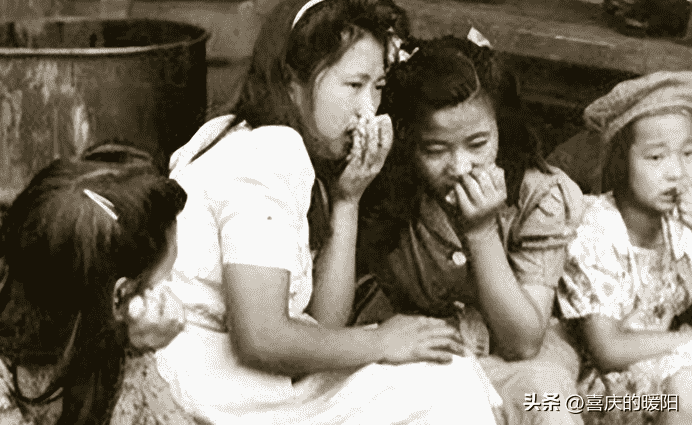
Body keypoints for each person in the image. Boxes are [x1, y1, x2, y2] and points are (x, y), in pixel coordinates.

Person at [156, 0, 503, 423]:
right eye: (353, 85)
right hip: (212, 384)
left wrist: (347, 200)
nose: (367, 110)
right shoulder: (269, 152)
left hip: (238, 380)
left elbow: (324, 325)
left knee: (446, 370)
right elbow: (260, 338)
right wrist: (381, 341)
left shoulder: (282, 147)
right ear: (291, 81)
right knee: (444, 382)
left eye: (377, 87)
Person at [356, 34, 585, 425]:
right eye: (435, 150)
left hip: (521, 359)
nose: (460, 167)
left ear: (501, 129)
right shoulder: (390, 192)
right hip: (430, 356)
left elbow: (523, 343)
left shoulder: (538, 195)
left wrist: (481, 232)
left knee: (547, 399)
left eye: (478, 144)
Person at [0, 153, 191, 425]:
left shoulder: (93, 343)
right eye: (166, 278)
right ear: (119, 296)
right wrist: (135, 362)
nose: (174, 297)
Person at [557, 71, 692, 425]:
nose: (677, 172)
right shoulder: (596, 228)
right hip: (598, 392)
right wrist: (684, 343)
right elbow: (608, 349)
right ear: (620, 160)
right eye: (656, 157)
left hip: (668, 366)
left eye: (689, 153)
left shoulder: (680, 222)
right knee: (686, 387)